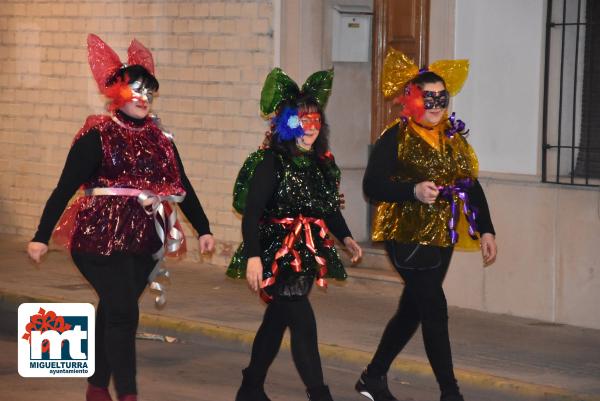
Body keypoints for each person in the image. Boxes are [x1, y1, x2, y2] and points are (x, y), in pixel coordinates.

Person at [27, 34, 214, 401]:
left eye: (148, 91)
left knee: (114, 308)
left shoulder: (162, 139)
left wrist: (204, 228)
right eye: (135, 89)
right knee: (124, 311)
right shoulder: (97, 136)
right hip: (98, 239)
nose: (143, 97)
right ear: (117, 93)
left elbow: (182, 185)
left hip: (144, 240)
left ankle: (97, 387)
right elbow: (64, 187)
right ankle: (127, 394)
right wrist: (40, 235)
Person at [356, 49, 497, 401]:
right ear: (413, 100)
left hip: (442, 236)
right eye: (427, 97)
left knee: (413, 310)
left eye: (440, 97)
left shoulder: (452, 136)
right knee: (434, 308)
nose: (435, 105)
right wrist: (412, 190)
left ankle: (372, 378)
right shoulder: (396, 137)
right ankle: (451, 393)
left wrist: (487, 230)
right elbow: (371, 186)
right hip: (406, 235)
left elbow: (470, 183)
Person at [227, 68, 362, 401]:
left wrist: (346, 239)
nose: (310, 128)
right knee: (302, 319)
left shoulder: (321, 165)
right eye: (302, 120)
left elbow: (328, 209)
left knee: (277, 320)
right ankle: (319, 394)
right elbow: (252, 213)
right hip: (276, 251)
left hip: (306, 250)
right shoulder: (271, 162)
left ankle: (250, 387)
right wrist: (255, 258)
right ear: (288, 123)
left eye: (315, 120)